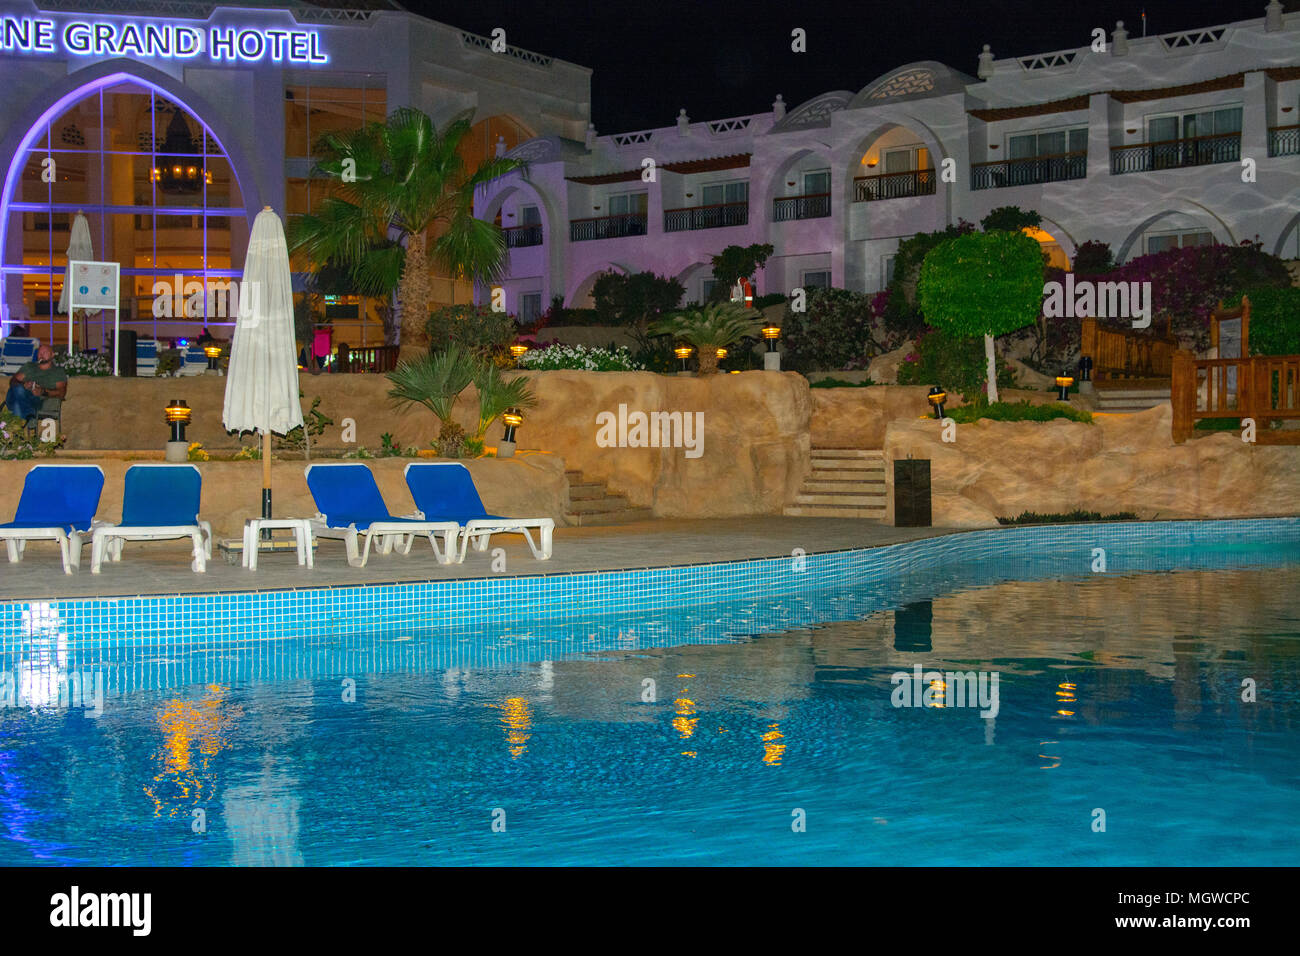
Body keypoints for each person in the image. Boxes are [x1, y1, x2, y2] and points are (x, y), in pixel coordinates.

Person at [4, 345, 68, 424]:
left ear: (52, 354)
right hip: (19, 394)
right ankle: (30, 414)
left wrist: (43, 391)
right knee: (18, 389)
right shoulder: (30, 366)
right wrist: (24, 384)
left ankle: (22, 427)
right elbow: (13, 381)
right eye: (39, 353)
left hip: (36, 401)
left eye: (45, 352)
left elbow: (61, 394)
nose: (41, 354)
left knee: (17, 404)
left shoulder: (58, 372)